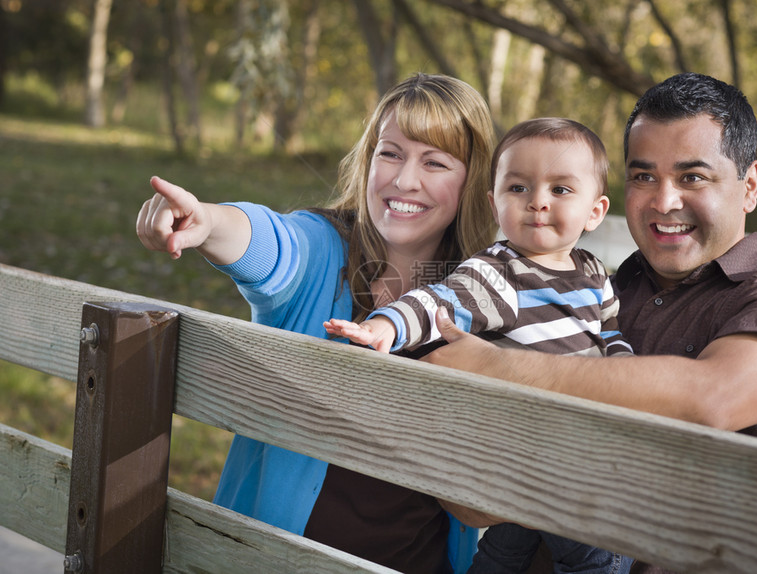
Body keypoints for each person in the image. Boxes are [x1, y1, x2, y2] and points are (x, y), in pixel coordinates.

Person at [422, 73, 757, 573]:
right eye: (644, 177)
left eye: (693, 176)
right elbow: (470, 498)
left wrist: (497, 367)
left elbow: (710, 398)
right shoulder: (596, 293)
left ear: (749, 186)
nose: (664, 201)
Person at [135, 73, 498, 574]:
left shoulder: (485, 294)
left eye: (434, 162)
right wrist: (209, 222)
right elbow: (271, 243)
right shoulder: (323, 251)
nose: (404, 180)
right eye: (390, 153)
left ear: (475, 180)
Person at [325, 117, 634, 574]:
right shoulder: (497, 273)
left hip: (575, 453)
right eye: (518, 188)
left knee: (538, 554)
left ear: (595, 211)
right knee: (584, 554)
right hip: (519, 459)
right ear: (494, 203)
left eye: (561, 190)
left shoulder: (592, 274)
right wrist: (387, 326)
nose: (538, 203)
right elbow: (438, 302)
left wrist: (625, 376)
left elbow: (610, 333)